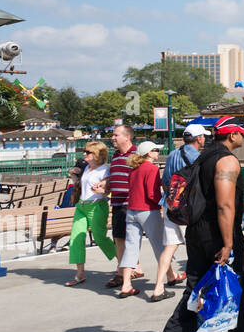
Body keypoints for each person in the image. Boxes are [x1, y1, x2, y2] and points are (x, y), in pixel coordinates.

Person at [143, 115, 244, 332]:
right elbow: (223, 204)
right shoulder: (227, 160)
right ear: (231, 135)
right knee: (199, 292)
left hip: (198, 232)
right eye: (241, 133)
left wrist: (240, 207)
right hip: (217, 235)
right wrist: (228, 242)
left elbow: (214, 196)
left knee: (234, 286)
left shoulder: (203, 156)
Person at [117, 141, 169, 299]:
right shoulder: (152, 168)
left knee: (131, 248)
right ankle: (164, 281)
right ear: (148, 153)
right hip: (148, 211)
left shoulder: (134, 169)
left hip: (131, 210)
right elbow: (152, 194)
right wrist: (164, 203)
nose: (157, 152)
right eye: (155, 150)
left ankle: (126, 284)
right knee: (160, 246)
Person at [160, 124, 208, 290]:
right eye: (204, 136)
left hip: (171, 205)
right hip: (192, 208)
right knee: (196, 246)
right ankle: (197, 282)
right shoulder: (201, 158)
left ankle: (159, 286)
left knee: (170, 247)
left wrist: (171, 199)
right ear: (199, 138)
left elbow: (165, 180)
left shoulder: (173, 154)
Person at [66, 141, 115, 286]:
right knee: (76, 238)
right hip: (81, 206)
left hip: (97, 206)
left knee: (100, 239)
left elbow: (108, 190)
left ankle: (126, 264)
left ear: (96, 155)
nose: (84, 154)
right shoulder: (86, 167)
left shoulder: (105, 170)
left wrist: (103, 190)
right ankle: (79, 274)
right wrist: (72, 175)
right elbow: (79, 185)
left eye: (88, 152)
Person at [105, 124, 142, 288]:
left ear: (127, 137)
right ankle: (128, 270)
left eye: (115, 135)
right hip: (117, 203)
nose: (112, 138)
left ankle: (124, 272)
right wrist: (105, 185)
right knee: (121, 238)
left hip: (129, 204)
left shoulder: (135, 155)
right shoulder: (115, 156)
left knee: (126, 239)